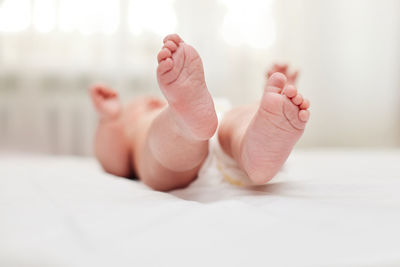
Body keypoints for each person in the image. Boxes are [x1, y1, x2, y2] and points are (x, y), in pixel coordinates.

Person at [90, 34, 310, 191]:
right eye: (137, 107)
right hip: (183, 156)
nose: (147, 103)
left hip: (211, 126)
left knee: (239, 120)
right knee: (170, 134)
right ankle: (188, 125)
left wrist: (272, 101)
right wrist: (110, 121)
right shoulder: (135, 132)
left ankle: (254, 140)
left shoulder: (163, 114)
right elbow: (114, 165)